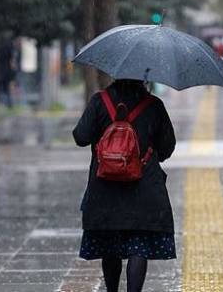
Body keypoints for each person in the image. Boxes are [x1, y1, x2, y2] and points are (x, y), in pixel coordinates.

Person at [73, 79, 176, 292]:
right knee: (138, 247)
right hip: (143, 189)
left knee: (110, 245)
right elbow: (167, 147)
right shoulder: (153, 105)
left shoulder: (99, 102)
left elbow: (81, 137)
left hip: (105, 190)